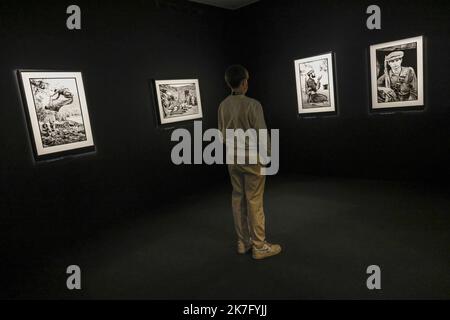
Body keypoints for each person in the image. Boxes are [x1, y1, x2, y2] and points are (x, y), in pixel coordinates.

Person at [218, 65, 282, 260]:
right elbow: (262, 134)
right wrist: (269, 155)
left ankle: (243, 242)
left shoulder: (222, 105)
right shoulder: (253, 105)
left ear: (229, 83)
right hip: (252, 158)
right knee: (254, 200)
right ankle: (259, 246)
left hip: (232, 159)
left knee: (238, 199)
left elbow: (220, 135)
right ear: (245, 82)